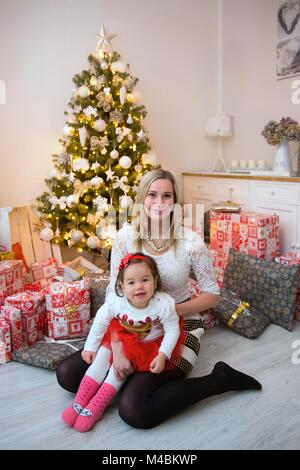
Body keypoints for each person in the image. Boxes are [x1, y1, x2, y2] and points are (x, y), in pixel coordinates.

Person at [57, 169, 262, 429]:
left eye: (167, 195)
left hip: (177, 327)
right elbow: (113, 296)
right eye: (152, 195)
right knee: (67, 374)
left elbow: (212, 295)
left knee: (135, 411)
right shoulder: (125, 238)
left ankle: (220, 379)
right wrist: (119, 350)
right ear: (142, 199)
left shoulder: (191, 242)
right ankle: (131, 375)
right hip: (128, 325)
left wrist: (167, 311)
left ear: (175, 202)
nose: (159, 202)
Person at [61, 252, 184, 432]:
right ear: (122, 286)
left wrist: (162, 354)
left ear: (155, 281)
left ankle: (95, 407)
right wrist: (90, 346)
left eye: (145, 280)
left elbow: (173, 330)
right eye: (131, 282)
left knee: (117, 372)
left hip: (145, 346)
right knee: (100, 361)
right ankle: (79, 402)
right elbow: (101, 321)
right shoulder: (116, 301)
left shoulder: (163, 304)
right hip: (119, 337)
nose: (139, 287)